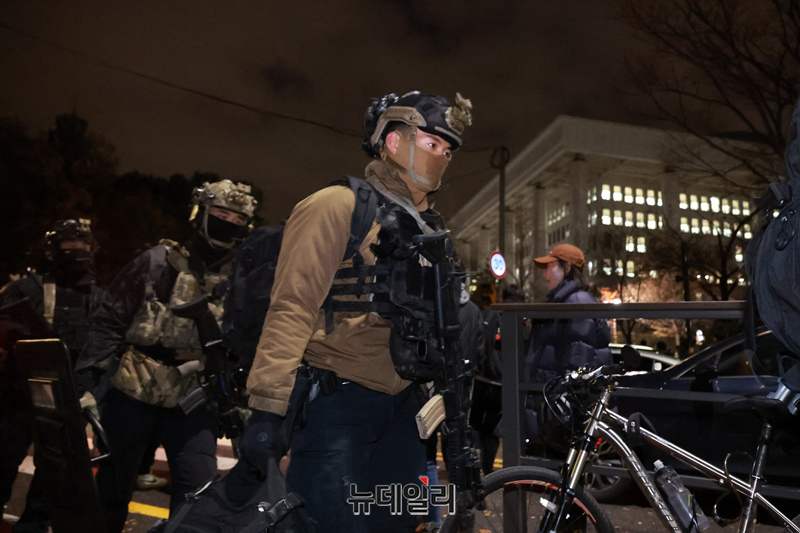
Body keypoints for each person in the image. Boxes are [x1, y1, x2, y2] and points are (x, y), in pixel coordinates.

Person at [240, 90, 472, 532]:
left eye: (448, 151)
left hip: (406, 413)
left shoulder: (430, 229)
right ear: (393, 141)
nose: (441, 156)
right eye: (431, 143)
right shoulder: (336, 205)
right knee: (331, 525)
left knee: (401, 524)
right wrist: (267, 409)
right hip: (337, 410)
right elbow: (291, 306)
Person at [73, 180, 256, 532]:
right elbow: (109, 321)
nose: (228, 222)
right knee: (111, 490)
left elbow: (247, 341)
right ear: (200, 212)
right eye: (220, 213)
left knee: (197, 495)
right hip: (133, 393)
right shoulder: (158, 262)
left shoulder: (242, 278)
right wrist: (87, 386)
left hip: (195, 399)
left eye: (237, 218)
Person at [0, 219, 105, 533]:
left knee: (53, 478)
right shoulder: (27, 288)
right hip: (18, 394)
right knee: (3, 460)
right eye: (68, 245)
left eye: (82, 245)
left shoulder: (98, 297)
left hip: (65, 399)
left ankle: (33, 525)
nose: (75, 251)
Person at [470, 284, 525, 475]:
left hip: (481, 379)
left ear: (502, 298)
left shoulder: (488, 315)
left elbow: (478, 343)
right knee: (493, 430)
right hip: (504, 383)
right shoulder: (521, 319)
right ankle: (488, 471)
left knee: (475, 425)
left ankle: (473, 468)